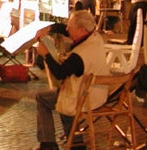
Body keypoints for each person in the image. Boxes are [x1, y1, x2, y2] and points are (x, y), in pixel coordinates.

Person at [35, 10, 110, 150]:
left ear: (81, 29)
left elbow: (60, 73)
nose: (67, 29)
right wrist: (49, 28)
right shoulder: (95, 37)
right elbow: (65, 29)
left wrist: (45, 54)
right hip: (99, 93)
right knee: (64, 94)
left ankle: (49, 144)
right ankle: (76, 143)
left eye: (71, 27)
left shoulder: (79, 55)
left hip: (85, 98)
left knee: (44, 98)